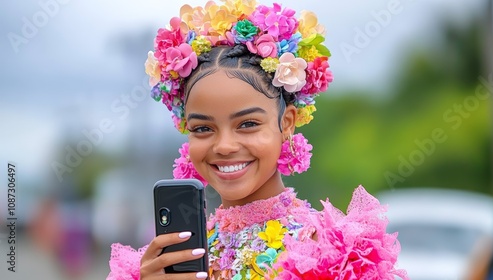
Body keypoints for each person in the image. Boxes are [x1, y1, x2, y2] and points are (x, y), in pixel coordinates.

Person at [107, 0, 408, 279]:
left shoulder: (330, 253)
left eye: (248, 124)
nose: (224, 145)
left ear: (286, 123)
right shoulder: (168, 262)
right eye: (202, 129)